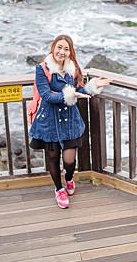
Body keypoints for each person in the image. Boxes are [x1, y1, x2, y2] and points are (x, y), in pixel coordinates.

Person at [29, 35, 110, 208]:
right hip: (49, 120)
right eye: (59, 47)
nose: (62, 52)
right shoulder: (42, 69)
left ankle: (69, 177)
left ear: (70, 52)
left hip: (69, 120)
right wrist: (70, 95)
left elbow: (79, 88)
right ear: (53, 48)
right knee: (52, 156)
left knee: (69, 159)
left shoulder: (72, 68)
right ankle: (59, 189)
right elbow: (46, 95)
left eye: (66, 49)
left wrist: (93, 86)